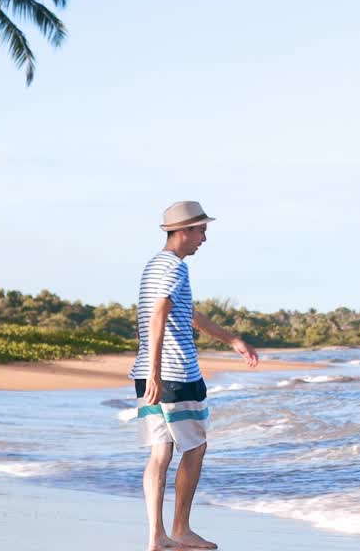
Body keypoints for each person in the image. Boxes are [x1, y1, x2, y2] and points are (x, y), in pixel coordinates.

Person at [129, 201, 259, 550]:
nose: (204, 238)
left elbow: (189, 315)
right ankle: (181, 528)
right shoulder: (174, 268)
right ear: (183, 231)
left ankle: (157, 536)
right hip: (175, 374)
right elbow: (158, 316)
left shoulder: (154, 266)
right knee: (196, 446)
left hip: (147, 374)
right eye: (201, 230)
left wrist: (232, 339)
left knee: (160, 453)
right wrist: (158, 373)